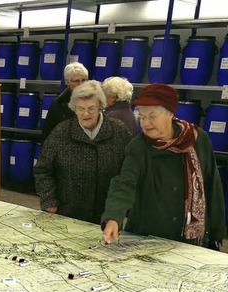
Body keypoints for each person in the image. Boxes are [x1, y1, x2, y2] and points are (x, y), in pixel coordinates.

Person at [102, 84, 226, 248]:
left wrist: (217, 232)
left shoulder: (198, 140)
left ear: (170, 113)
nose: (146, 123)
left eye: (152, 116)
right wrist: (113, 217)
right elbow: (124, 184)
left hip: (191, 239)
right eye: (142, 116)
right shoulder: (138, 147)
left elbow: (212, 186)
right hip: (149, 237)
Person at [34, 80, 132, 224]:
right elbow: (43, 170)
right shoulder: (61, 132)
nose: (86, 114)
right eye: (81, 109)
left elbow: (128, 171)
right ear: (74, 109)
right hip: (67, 215)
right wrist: (49, 199)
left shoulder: (119, 131)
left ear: (100, 107)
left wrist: (121, 208)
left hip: (106, 215)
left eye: (91, 108)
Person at [40, 62, 88, 142]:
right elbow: (47, 133)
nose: (81, 84)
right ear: (67, 82)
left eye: (83, 80)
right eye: (76, 81)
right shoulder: (58, 103)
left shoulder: (93, 102)